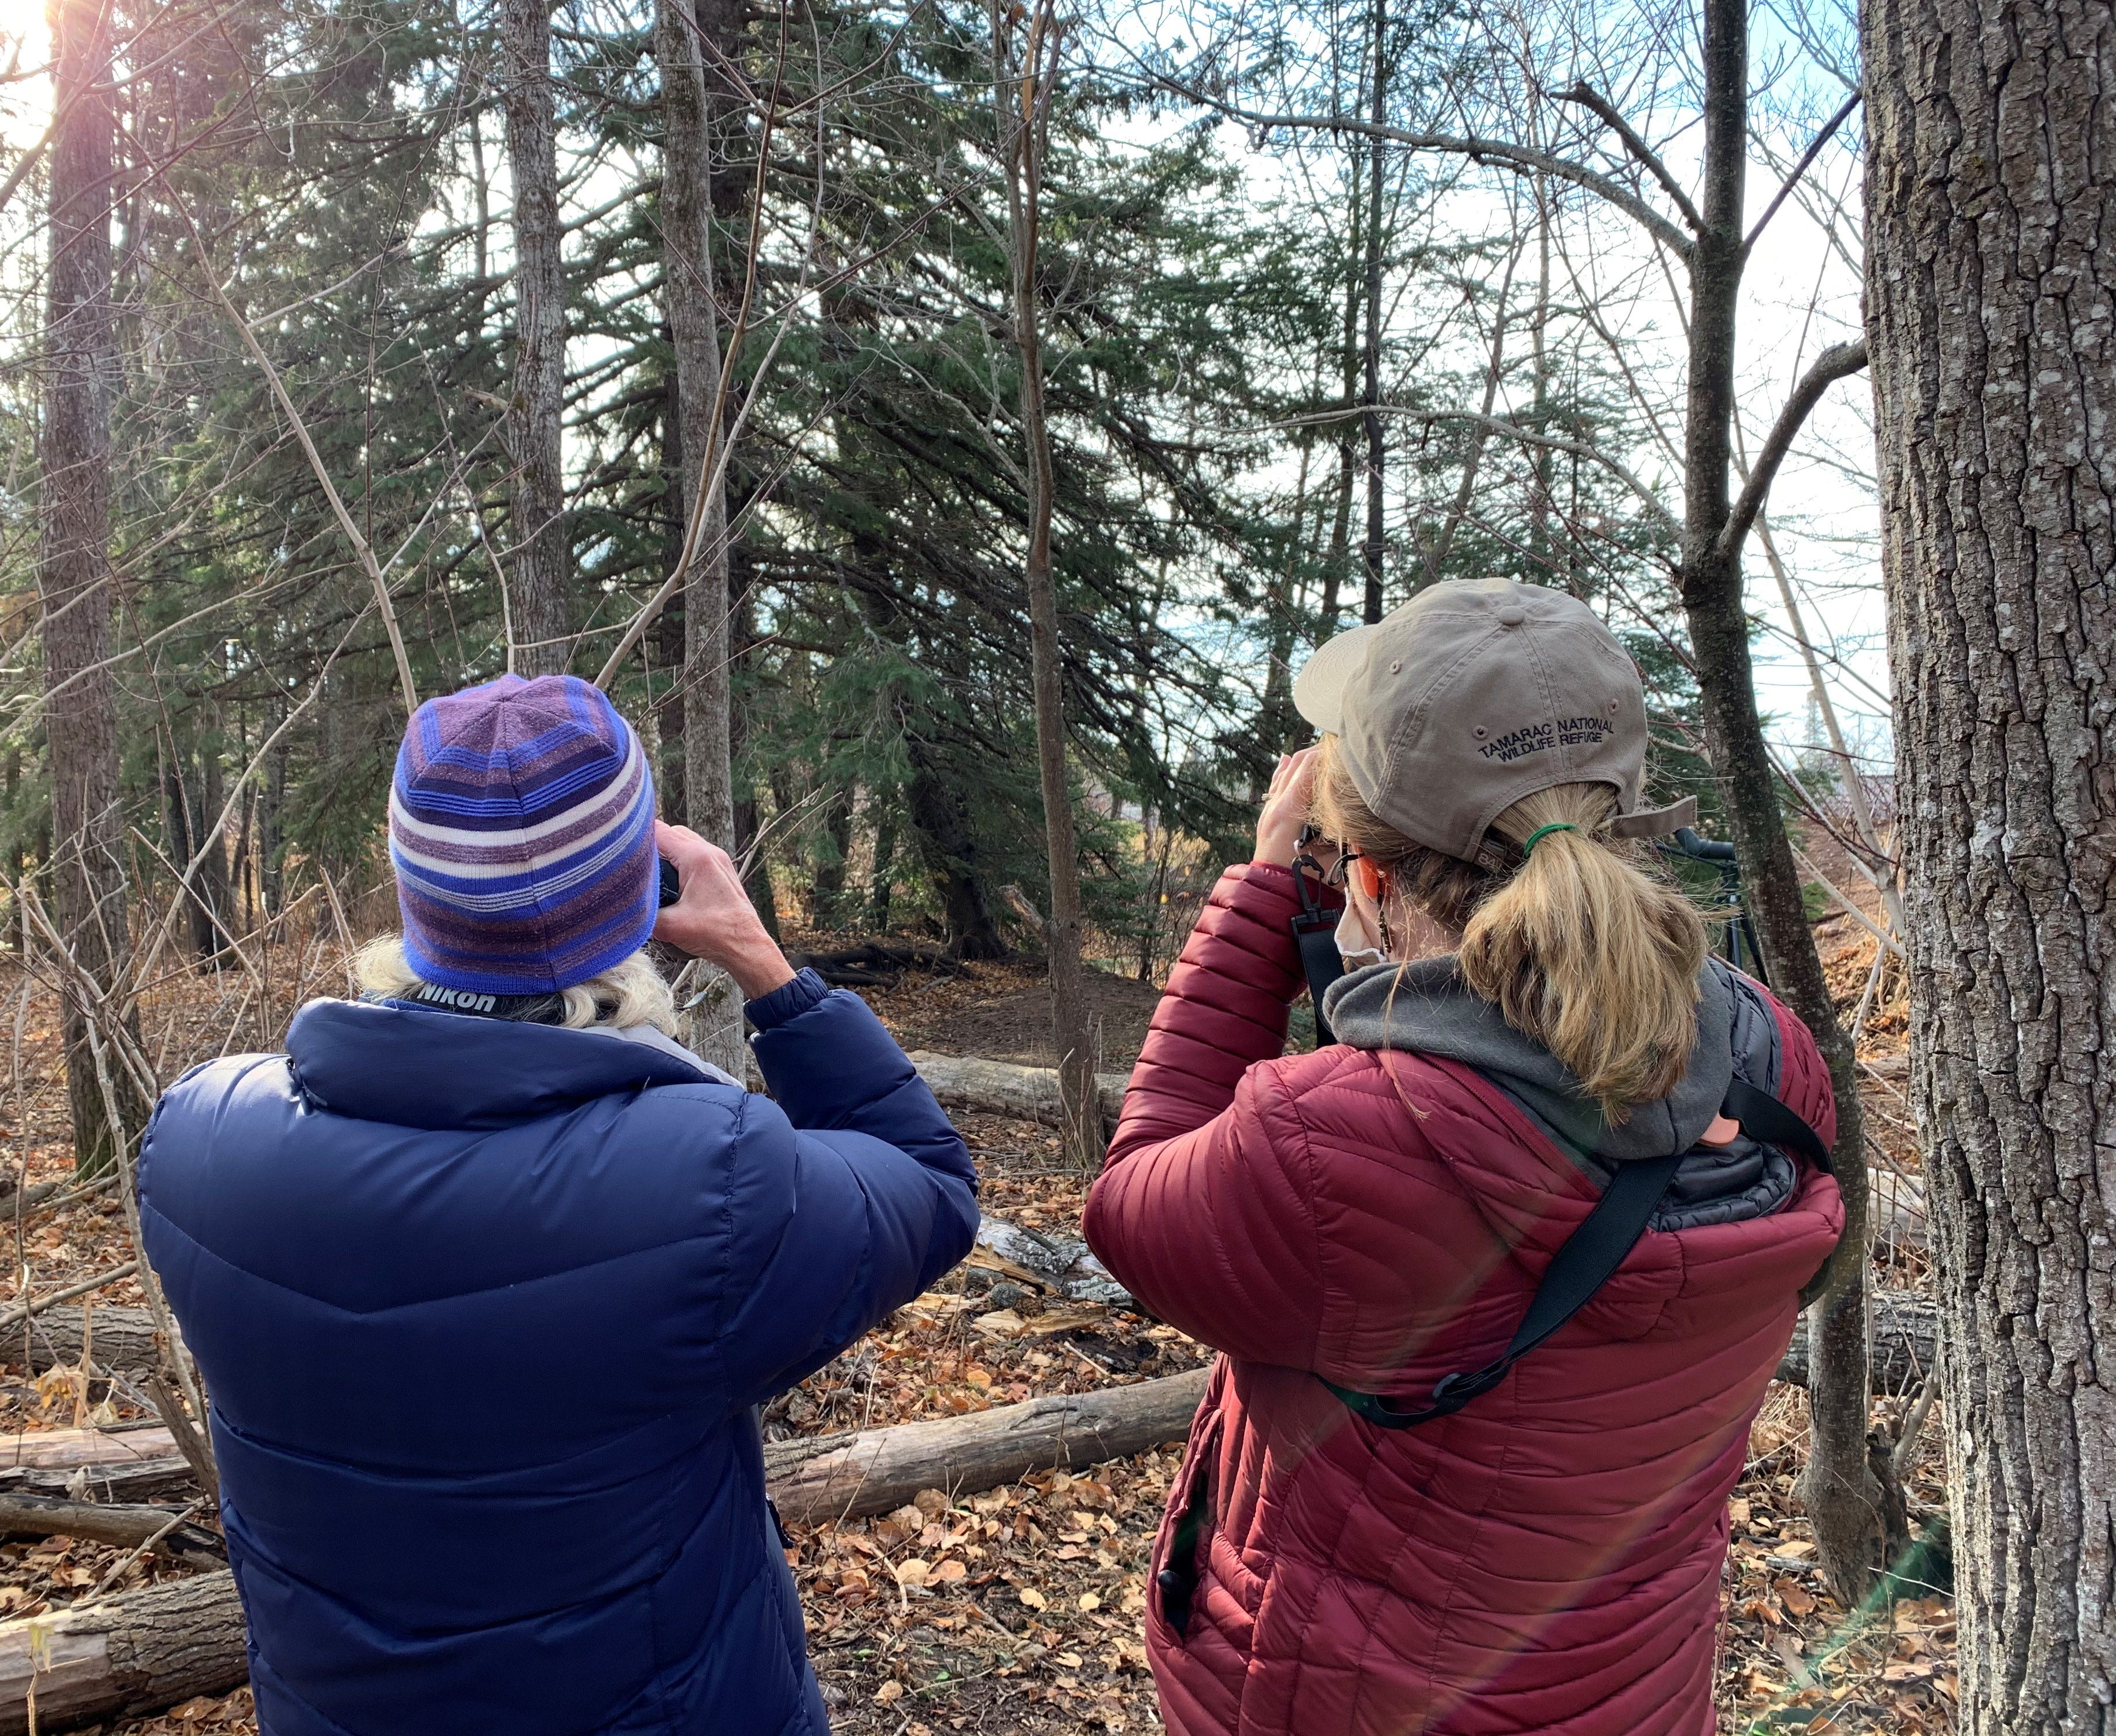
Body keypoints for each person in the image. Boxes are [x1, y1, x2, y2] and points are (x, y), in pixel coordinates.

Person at [140, 673, 979, 1736]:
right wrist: (767, 967)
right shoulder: (713, 1184)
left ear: (411, 887)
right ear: (641, 888)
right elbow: (931, 1182)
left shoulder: (200, 1146)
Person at [1083, 579, 1843, 1736]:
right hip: (1629, 1693)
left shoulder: (1330, 1146)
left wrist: (1259, 897)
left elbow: (1133, 1205)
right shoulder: (1764, 1053)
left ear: (1368, 876)